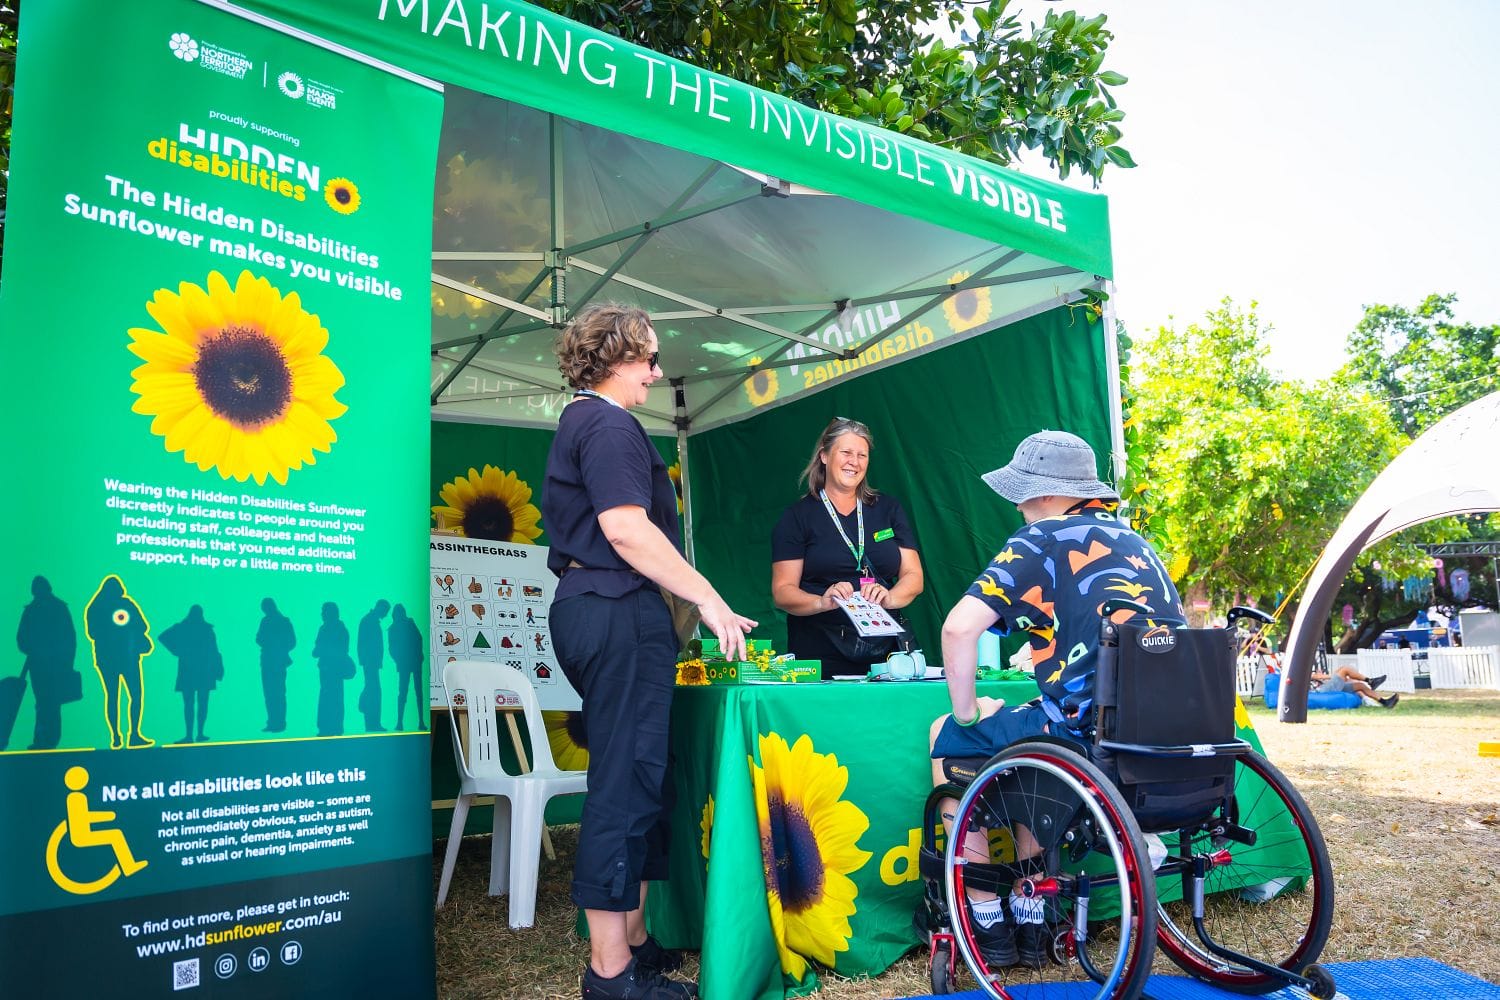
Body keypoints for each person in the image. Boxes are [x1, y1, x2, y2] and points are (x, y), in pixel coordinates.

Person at [543, 302, 755, 1000]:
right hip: (615, 610)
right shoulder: (605, 422)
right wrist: (710, 599)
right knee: (623, 782)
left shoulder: (587, 421)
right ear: (613, 358)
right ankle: (610, 975)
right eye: (649, 358)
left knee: (639, 776)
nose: (658, 372)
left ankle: (632, 939)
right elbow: (627, 531)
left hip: (602, 610)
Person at [927, 430, 1185, 967]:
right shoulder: (1137, 543)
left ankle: (986, 915)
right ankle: (1035, 918)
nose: (1018, 506)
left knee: (947, 734)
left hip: (1084, 737)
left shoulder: (1041, 537)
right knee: (1034, 733)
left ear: (1041, 494)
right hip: (1166, 735)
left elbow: (957, 630)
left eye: (1020, 493)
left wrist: (968, 711)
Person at [770, 417, 925, 678]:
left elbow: (914, 576)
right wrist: (822, 602)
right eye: (846, 452)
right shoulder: (797, 516)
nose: (854, 461)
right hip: (820, 656)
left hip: (888, 658)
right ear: (824, 456)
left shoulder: (888, 508)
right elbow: (783, 591)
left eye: (862, 455)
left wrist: (890, 598)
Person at [84, 575, 154, 750]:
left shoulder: (94, 607)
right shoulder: (126, 604)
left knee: (112, 697)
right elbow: (144, 626)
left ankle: (116, 736)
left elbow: (92, 634)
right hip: (128, 658)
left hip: (105, 660)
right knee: (135, 695)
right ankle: (134, 735)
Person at [16, 576, 77, 750]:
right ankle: (46, 739)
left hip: (46, 665)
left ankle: (46, 740)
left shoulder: (34, 610)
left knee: (45, 702)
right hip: (48, 665)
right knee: (48, 702)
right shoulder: (55, 608)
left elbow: (22, 638)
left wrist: (35, 649)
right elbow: (70, 639)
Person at [158, 605, 223, 744]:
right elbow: (214, 651)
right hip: (204, 672)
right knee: (201, 703)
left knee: (190, 704)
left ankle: (191, 735)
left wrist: (178, 651)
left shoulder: (184, 627)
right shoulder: (205, 629)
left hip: (190, 671)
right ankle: (197, 734)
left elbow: (163, 637)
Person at [256, 597, 296, 733]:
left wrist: (273, 645)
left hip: (271, 661)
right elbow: (292, 642)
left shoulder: (268, 621)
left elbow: (259, 639)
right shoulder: (283, 621)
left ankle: (276, 723)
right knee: (276, 693)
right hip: (275, 662)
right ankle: (276, 723)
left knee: (273, 693)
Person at [313, 603, 353, 737]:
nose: (321, 614)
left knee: (328, 697)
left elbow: (318, 650)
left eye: (323, 612)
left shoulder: (326, 629)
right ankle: (335, 726)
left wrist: (322, 651)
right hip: (333, 670)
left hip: (329, 670)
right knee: (335, 697)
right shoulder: (340, 629)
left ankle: (327, 727)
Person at [388, 604, 426, 730]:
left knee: (410, 692)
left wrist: (418, 656)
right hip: (410, 663)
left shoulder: (403, 625)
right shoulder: (397, 627)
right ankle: (401, 722)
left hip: (412, 663)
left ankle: (416, 722)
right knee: (408, 692)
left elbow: (419, 639)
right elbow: (392, 649)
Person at [357, 599, 391, 732]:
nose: (386, 615)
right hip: (370, 663)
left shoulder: (370, 620)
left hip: (372, 663)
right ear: (380, 608)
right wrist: (365, 660)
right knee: (374, 691)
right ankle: (372, 724)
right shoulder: (368, 620)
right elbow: (362, 643)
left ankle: (373, 723)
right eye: (385, 611)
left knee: (373, 690)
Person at [1312, 664, 1397, 707]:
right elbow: (1315, 676)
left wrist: (1337, 676)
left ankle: (1385, 702)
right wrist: (1336, 676)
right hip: (1321, 691)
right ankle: (1370, 681)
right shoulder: (1306, 673)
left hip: (1328, 688)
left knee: (1360, 686)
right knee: (1345, 669)